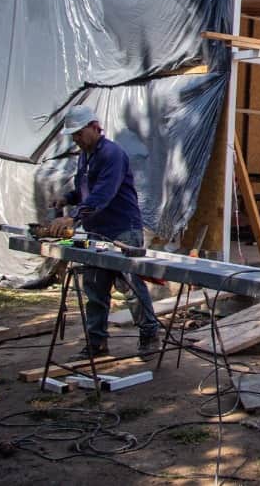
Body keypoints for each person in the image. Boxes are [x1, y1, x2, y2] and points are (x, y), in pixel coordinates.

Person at [42, 104, 160, 359]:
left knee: (129, 285)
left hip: (122, 230)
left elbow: (104, 194)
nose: (76, 139)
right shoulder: (85, 155)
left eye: (79, 133)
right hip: (96, 231)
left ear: (95, 127)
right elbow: (86, 191)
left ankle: (150, 333)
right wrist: (67, 198)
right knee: (94, 288)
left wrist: (73, 218)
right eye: (73, 135)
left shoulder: (112, 154)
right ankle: (97, 343)